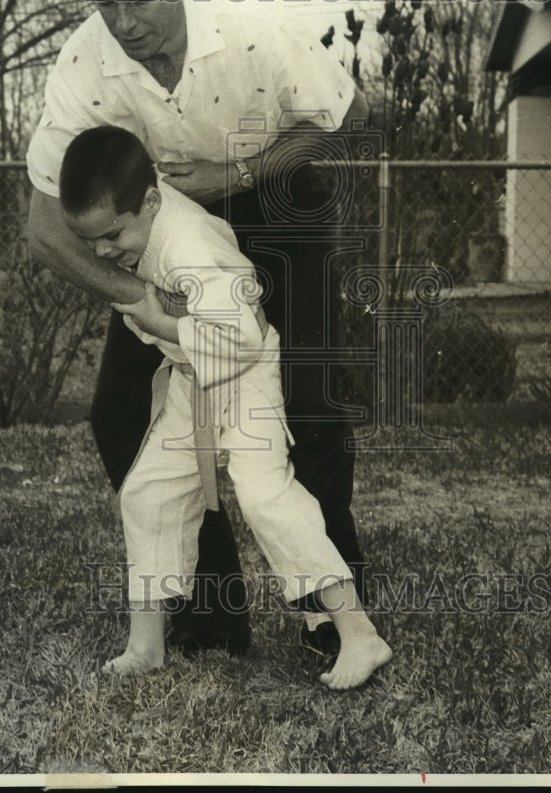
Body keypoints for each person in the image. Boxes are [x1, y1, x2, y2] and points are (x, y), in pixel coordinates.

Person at [27, 0, 370, 657]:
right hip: (174, 232)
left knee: (305, 403)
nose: (122, 24)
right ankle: (210, 615)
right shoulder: (85, 62)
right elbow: (43, 225)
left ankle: (336, 621)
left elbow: (349, 116)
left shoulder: (256, 35)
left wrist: (251, 173)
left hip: (280, 204)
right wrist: (141, 298)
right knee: (123, 412)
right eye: (103, 3)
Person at [58, 125, 391, 689]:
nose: (102, 253)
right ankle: (146, 646)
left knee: (266, 497)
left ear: (152, 201)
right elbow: (157, 323)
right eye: (90, 243)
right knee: (148, 490)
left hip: (246, 373)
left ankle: (359, 635)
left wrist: (162, 320)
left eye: (112, 236)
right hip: (195, 377)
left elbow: (241, 336)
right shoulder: (142, 235)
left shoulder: (189, 243)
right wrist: (158, 320)